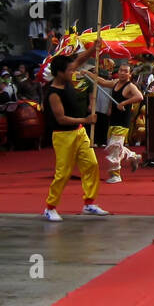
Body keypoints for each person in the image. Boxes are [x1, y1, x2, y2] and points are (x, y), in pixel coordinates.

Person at [42, 44, 109, 222]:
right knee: (63, 173)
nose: (74, 72)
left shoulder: (68, 79)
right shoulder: (53, 93)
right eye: (70, 70)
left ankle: (89, 203)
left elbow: (79, 60)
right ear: (59, 73)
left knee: (92, 165)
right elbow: (61, 119)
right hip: (63, 135)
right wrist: (85, 121)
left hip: (79, 133)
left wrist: (94, 48)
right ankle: (50, 207)